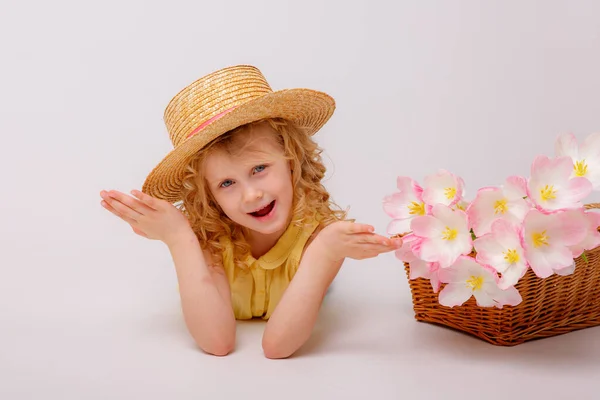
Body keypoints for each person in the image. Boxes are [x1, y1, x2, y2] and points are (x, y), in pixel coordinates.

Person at [99, 65, 402, 358]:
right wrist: (178, 238)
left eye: (259, 168)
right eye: (227, 182)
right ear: (210, 197)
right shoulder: (209, 239)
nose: (251, 195)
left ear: (291, 161)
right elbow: (217, 342)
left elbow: (277, 347)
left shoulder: (320, 236)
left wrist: (326, 253)